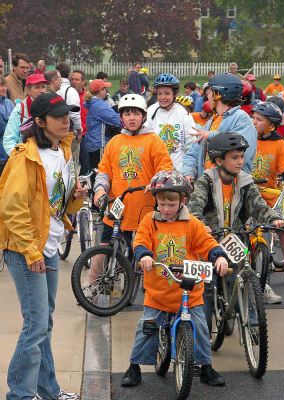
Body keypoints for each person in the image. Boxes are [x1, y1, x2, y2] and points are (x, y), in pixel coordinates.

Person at [0, 92, 86, 400]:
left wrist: (77, 195)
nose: (66, 120)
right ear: (39, 122)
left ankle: (48, 390)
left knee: (44, 322)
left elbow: (62, 205)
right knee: (36, 324)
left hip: (48, 245)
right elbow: (11, 208)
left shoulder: (63, 151)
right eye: (59, 116)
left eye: (68, 115)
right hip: (26, 249)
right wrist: (31, 251)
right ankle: (20, 394)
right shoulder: (24, 157)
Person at [121, 170, 228, 388]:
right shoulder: (150, 221)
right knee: (147, 327)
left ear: (183, 201)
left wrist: (219, 257)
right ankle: (134, 367)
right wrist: (145, 255)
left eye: (171, 205)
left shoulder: (192, 223)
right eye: (161, 204)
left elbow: (207, 243)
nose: (166, 209)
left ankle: (206, 367)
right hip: (158, 293)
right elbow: (140, 241)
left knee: (200, 326)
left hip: (188, 291)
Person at [189, 133, 284, 313]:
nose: (240, 161)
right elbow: (195, 205)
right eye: (234, 157)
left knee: (244, 280)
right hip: (210, 239)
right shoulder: (206, 181)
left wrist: (274, 218)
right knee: (207, 288)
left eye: (242, 156)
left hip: (236, 238)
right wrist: (200, 223)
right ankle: (205, 334)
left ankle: (252, 324)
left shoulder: (245, 181)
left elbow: (258, 205)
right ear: (218, 160)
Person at [85, 95, 173, 293]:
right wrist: (99, 190)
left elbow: (165, 169)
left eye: (135, 113)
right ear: (121, 117)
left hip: (146, 206)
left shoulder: (154, 141)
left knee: (148, 247)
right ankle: (93, 285)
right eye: (127, 113)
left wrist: (156, 183)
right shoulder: (115, 142)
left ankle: (152, 286)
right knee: (105, 242)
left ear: (143, 117)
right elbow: (104, 171)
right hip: (119, 204)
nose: (131, 118)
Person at [252, 101, 284, 284]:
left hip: (270, 193)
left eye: (259, 119)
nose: (253, 122)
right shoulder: (248, 138)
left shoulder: (279, 143)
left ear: (271, 124)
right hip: (249, 191)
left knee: (280, 226)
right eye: (253, 118)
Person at [182, 73, 257, 181]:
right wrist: (188, 173)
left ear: (218, 95)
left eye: (210, 92)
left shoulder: (242, 119)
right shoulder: (212, 120)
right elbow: (193, 153)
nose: (208, 96)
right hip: (207, 189)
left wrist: (211, 135)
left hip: (232, 191)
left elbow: (239, 151)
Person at [145, 73, 197, 172]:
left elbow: (191, 143)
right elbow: (145, 138)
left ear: (175, 94)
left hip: (178, 169)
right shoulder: (151, 111)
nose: (162, 97)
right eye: (159, 93)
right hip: (156, 168)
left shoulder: (183, 113)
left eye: (167, 93)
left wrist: (187, 170)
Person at [3, 74, 48, 155]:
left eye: (43, 87)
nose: (42, 90)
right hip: (26, 160)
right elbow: (9, 140)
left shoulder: (52, 106)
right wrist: (18, 154)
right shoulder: (20, 109)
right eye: (37, 87)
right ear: (28, 90)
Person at [83, 79, 121, 174]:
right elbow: (116, 120)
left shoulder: (93, 102)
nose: (106, 91)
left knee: (95, 170)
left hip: (93, 142)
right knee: (101, 171)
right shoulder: (99, 105)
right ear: (100, 91)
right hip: (99, 143)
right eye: (105, 89)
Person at [56, 62, 82, 165]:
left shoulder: (51, 89)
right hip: (69, 133)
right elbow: (74, 114)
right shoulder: (71, 91)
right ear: (69, 74)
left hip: (54, 132)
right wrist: (79, 131)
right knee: (71, 163)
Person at [70, 70, 89, 175]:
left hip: (85, 135)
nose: (74, 82)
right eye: (72, 79)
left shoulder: (88, 97)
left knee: (85, 164)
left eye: (77, 79)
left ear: (83, 82)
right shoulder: (68, 95)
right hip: (71, 135)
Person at [0, 76, 14, 175]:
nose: (4, 88)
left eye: (5, 85)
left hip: (8, 154)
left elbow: (16, 126)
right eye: (1, 86)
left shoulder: (9, 103)